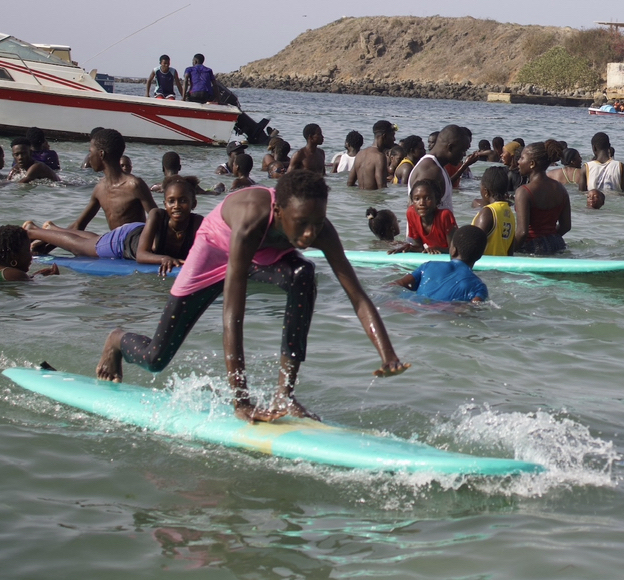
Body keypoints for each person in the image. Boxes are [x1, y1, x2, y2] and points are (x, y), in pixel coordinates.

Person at [95, 170, 410, 422]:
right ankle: (116, 340)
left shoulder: (320, 229)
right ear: (278, 210)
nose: (309, 235)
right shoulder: (251, 222)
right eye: (301, 225)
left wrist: (388, 354)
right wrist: (241, 398)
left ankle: (284, 395)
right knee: (155, 360)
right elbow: (233, 315)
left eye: (316, 224)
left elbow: (357, 296)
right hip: (214, 251)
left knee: (304, 273)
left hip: (263, 256)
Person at [23, 176, 203, 276]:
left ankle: (53, 229)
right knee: (81, 248)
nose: (177, 206)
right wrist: (164, 259)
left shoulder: (198, 223)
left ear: (193, 204)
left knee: (95, 241)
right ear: (164, 204)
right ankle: (33, 231)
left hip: (135, 233)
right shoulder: (157, 215)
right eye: (171, 201)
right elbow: (141, 255)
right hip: (124, 241)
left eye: (183, 201)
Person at [30, 129, 157, 254]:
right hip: (113, 243)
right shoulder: (100, 188)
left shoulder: (134, 185)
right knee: (94, 239)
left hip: (131, 245)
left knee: (90, 242)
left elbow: (157, 220)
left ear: (101, 154)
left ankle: (41, 231)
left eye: (90, 152)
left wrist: (156, 249)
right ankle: (49, 232)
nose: (89, 157)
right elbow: (79, 225)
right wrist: (47, 249)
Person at [393, 225, 488, 303]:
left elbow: (398, 284)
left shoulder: (428, 266)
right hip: (445, 316)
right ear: (480, 256)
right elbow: (474, 308)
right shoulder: (479, 287)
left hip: (416, 308)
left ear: (453, 250)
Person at [514, 142, 571, 255]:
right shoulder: (561, 189)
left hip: (533, 247)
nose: (518, 162)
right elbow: (566, 226)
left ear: (532, 164)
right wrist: (549, 239)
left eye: (522, 158)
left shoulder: (524, 192)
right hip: (557, 244)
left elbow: (522, 232)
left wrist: (509, 252)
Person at [407, 124, 471, 213]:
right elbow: (419, 215)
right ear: (450, 147)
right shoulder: (430, 171)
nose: (464, 155)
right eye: (462, 150)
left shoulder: (438, 167)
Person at [390, 179, 457, 254]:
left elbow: (455, 250)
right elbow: (419, 247)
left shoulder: (444, 216)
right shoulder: (411, 213)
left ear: (437, 200)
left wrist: (437, 248)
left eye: (428, 198)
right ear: (412, 201)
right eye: (417, 199)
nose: (422, 203)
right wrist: (409, 247)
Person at [471, 166, 515, 256]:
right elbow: (510, 251)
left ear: (486, 192)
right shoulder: (510, 213)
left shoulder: (488, 212)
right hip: (501, 266)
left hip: (485, 268)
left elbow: (472, 246)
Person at [347, 120, 395, 190]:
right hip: (374, 200)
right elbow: (382, 188)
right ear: (384, 136)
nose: (394, 139)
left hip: (361, 199)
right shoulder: (380, 157)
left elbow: (349, 183)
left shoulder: (360, 154)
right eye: (392, 135)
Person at [152, 151, 222, 196]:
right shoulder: (190, 185)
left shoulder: (156, 187)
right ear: (180, 167)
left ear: (163, 169)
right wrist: (219, 188)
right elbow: (212, 194)